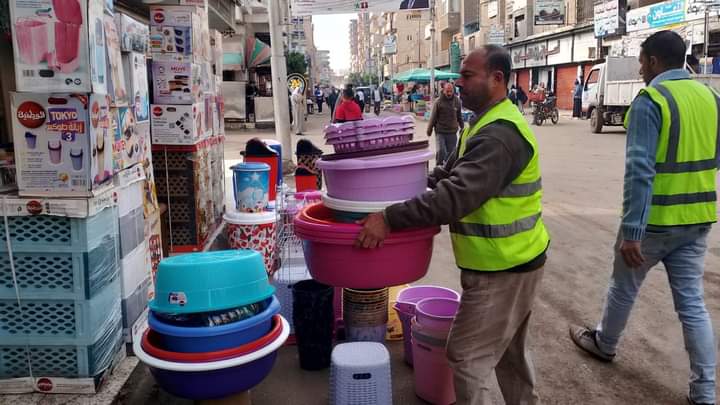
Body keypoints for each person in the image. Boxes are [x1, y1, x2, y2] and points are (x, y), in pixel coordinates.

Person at [356, 45, 549, 405]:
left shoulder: (500, 135)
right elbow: (450, 173)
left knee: (466, 356)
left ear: (497, 79)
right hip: (515, 260)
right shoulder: (486, 121)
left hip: (503, 266)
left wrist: (389, 218)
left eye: (467, 75)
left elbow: (455, 197)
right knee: (508, 354)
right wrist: (407, 180)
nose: (457, 83)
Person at [569, 30, 718, 405]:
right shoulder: (711, 97)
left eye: (641, 62)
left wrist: (632, 232)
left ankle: (605, 343)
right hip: (697, 219)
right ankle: (704, 392)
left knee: (623, 287)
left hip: (652, 224)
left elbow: (640, 172)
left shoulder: (651, 100)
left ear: (653, 61)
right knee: (692, 305)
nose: (640, 69)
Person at [427, 83, 464, 165]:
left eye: (451, 91)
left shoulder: (457, 101)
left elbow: (459, 116)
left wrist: (462, 127)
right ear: (443, 91)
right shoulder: (438, 102)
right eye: (447, 91)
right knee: (441, 151)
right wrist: (429, 130)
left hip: (452, 132)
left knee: (452, 154)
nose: (449, 93)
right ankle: (438, 168)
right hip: (440, 132)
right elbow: (433, 117)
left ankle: (448, 170)